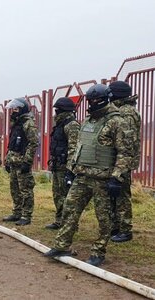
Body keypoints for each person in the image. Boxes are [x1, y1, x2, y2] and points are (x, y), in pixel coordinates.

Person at [44, 84, 132, 266]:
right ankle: (62, 245)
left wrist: (117, 178)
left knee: (104, 218)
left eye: (95, 100)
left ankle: (98, 252)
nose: (92, 103)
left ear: (105, 99)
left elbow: (125, 152)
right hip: (82, 176)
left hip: (104, 179)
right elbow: (79, 147)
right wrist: (71, 170)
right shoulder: (87, 121)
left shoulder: (117, 121)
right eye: (90, 100)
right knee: (69, 209)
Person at [109, 81, 141, 243]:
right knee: (114, 195)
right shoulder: (121, 110)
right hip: (118, 161)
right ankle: (115, 226)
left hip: (122, 162)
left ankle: (125, 229)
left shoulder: (126, 113)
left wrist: (120, 168)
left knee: (121, 195)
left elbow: (127, 143)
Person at [3, 98, 38, 226]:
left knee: (26, 190)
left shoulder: (28, 123)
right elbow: (11, 144)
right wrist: (7, 160)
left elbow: (33, 143)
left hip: (22, 162)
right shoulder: (16, 123)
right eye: (13, 109)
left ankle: (26, 215)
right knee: (15, 189)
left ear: (22, 109)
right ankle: (16, 212)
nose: (14, 111)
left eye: (16, 109)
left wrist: (27, 162)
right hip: (13, 162)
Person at [46, 97, 80, 230]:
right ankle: (60, 220)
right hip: (57, 166)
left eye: (57, 110)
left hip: (66, 167)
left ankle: (70, 224)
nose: (55, 113)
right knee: (58, 195)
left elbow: (74, 148)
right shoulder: (60, 125)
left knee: (68, 197)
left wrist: (70, 170)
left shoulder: (72, 125)